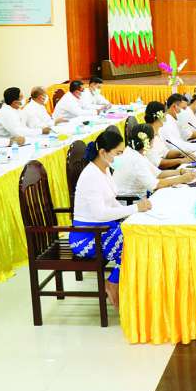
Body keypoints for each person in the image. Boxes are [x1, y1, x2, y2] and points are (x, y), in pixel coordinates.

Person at [71, 130, 152, 307]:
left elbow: (112, 202)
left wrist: (133, 213)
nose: (121, 157)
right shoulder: (91, 176)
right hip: (87, 237)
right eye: (118, 153)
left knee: (140, 236)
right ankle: (113, 282)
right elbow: (100, 213)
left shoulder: (104, 169)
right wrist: (135, 208)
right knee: (134, 243)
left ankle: (128, 285)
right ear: (103, 152)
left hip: (104, 229)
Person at [112, 124, 196, 197]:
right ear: (149, 141)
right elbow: (155, 185)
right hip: (131, 203)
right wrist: (181, 179)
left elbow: (158, 174)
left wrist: (180, 171)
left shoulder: (133, 152)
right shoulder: (136, 159)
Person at [144, 101, 187, 169]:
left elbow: (165, 153)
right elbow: (158, 164)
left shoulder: (158, 131)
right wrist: (180, 160)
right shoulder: (146, 135)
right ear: (158, 116)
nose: (166, 117)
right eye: (164, 114)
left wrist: (182, 153)